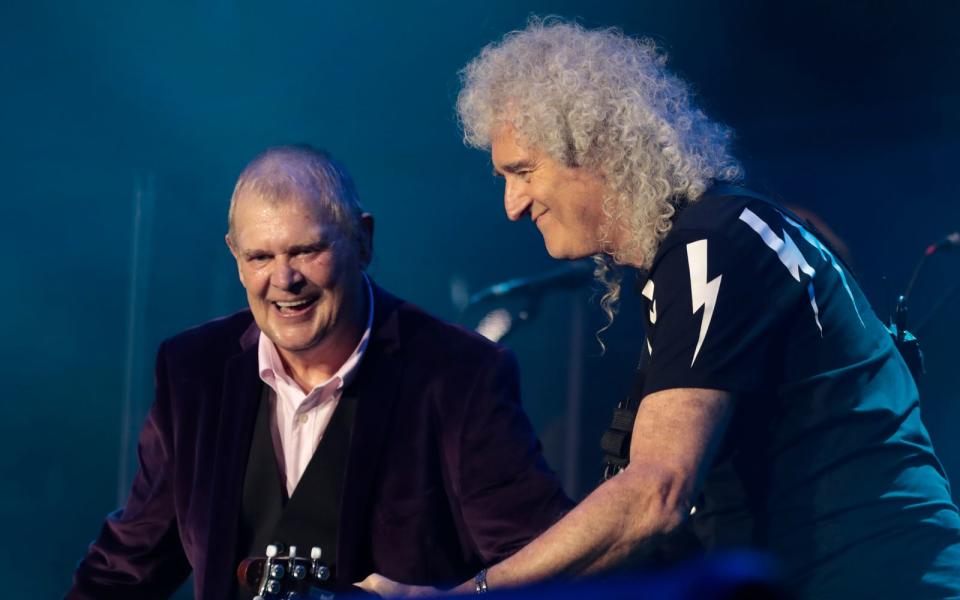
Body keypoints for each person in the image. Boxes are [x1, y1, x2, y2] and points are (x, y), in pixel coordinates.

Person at [359, 19, 960, 599]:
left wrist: (470, 594)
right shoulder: (711, 240)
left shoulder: (713, 242)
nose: (512, 204)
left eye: (521, 172)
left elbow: (656, 494)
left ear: (592, 145)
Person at [68, 145, 572, 599]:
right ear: (236, 259)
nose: (283, 280)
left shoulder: (460, 375)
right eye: (260, 257)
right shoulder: (192, 372)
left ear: (363, 241)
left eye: (306, 251)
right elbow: (126, 571)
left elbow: (544, 564)